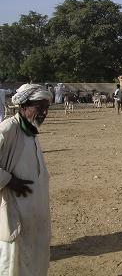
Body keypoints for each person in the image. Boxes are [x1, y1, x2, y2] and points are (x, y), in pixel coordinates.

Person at [0, 83, 52, 275]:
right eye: (40, 107)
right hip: (15, 212)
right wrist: (9, 181)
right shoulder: (8, 129)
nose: (44, 112)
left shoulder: (30, 130)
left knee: (35, 260)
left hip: (35, 213)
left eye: (47, 108)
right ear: (24, 106)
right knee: (14, 263)